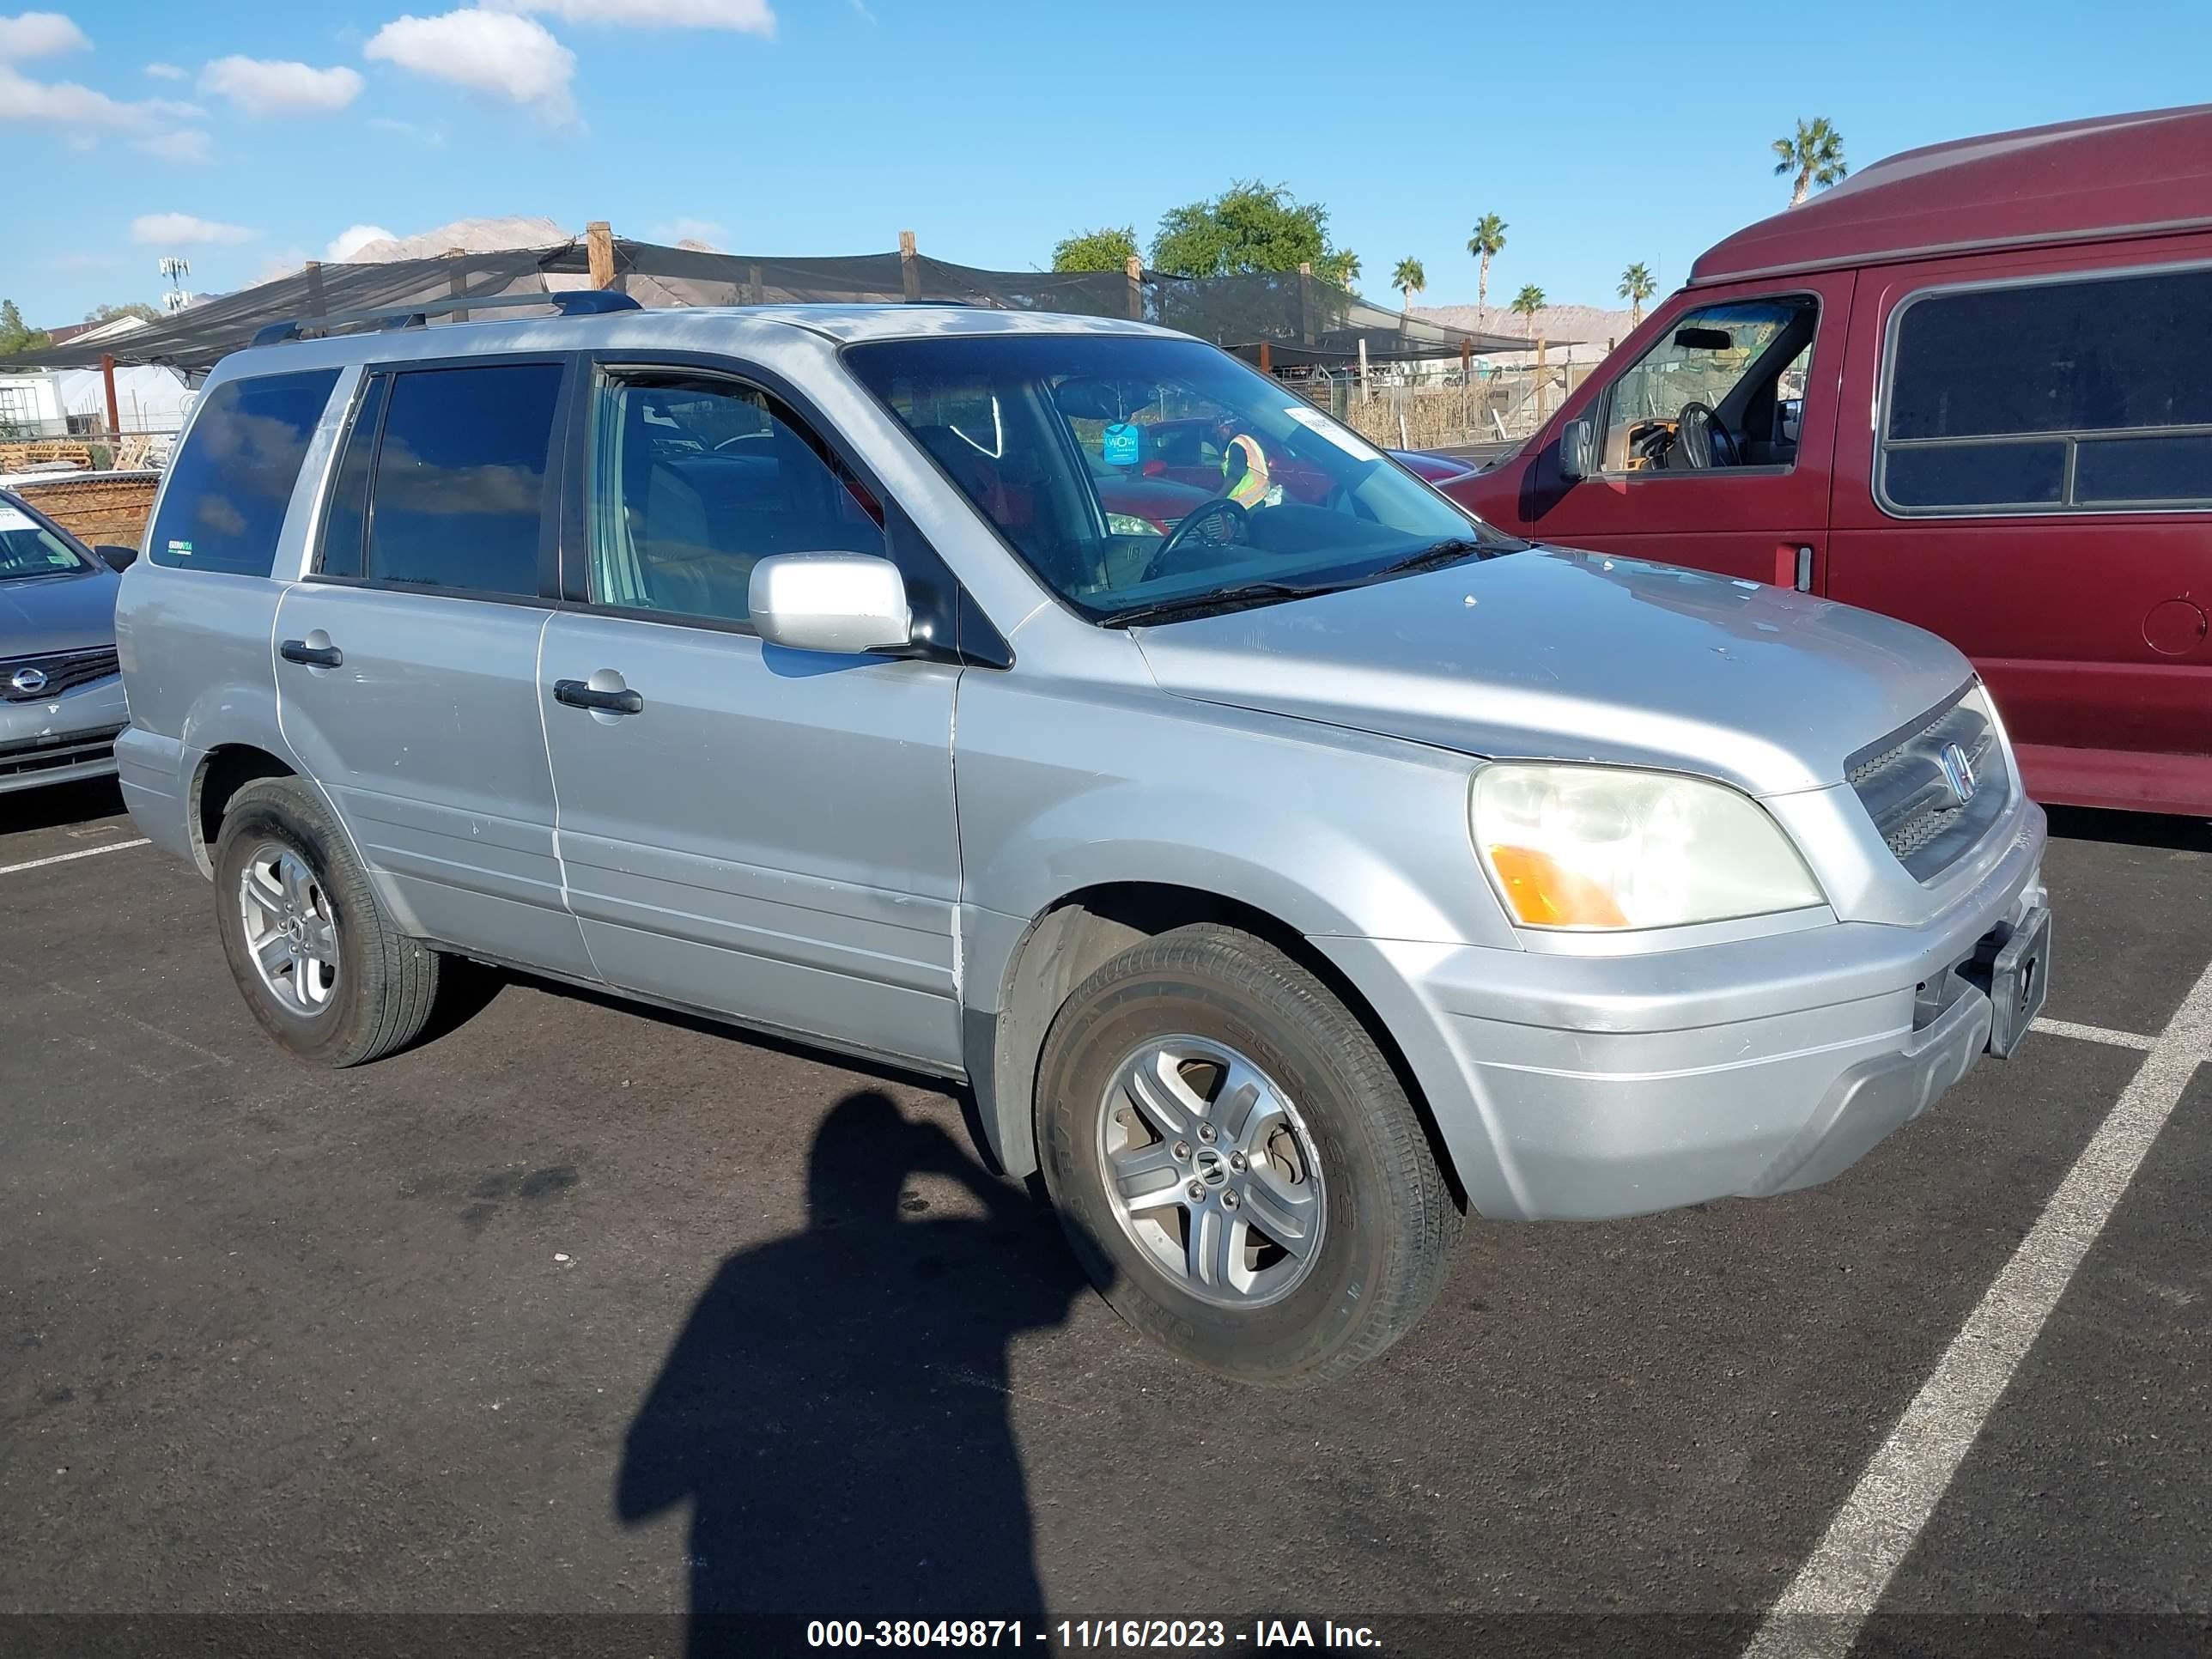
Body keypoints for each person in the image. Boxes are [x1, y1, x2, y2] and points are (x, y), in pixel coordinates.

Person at [1210, 411, 1283, 510]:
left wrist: (1217, 499)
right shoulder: (1248, 440)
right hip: (1258, 498)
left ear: (1228, 427)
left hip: (1246, 503)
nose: (1218, 435)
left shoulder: (1237, 445)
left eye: (1220, 431)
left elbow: (1234, 476)